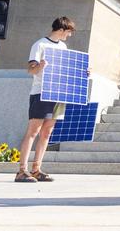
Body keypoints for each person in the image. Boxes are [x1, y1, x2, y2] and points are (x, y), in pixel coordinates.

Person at [16, 16, 78, 183]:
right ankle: (22, 170)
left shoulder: (63, 47)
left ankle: (36, 169)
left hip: (57, 93)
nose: (70, 35)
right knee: (33, 131)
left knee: (47, 132)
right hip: (41, 92)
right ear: (61, 30)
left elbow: (65, 70)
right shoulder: (40, 45)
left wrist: (81, 73)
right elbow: (31, 70)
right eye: (69, 32)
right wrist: (40, 66)